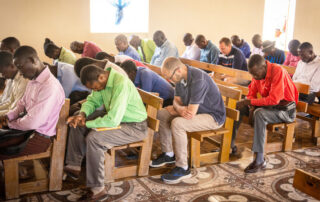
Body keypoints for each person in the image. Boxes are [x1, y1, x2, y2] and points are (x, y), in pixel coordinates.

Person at [64, 65, 148, 201]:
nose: (95, 90)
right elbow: (92, 100)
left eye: (95, 87)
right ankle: (74, 165)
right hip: (120, 119)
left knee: (94, 138)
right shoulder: (102, 81)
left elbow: (113, 120)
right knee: (76, 119)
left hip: (135, 127)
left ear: (101, 77)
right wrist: (82, 114)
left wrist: (87, 123)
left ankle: (98, 190)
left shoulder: (121, 83)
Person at [150, 57, 226, 184]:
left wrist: (177, 109)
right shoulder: (180, 78)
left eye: (170, 77)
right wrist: (179, 108)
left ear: (178, 70)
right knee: (162, 114)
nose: (169, 81)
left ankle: (183, 168)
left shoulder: (198, 78)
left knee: (178, 123)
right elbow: (176, 101)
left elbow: (190, 112)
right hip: (196, 112)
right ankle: (168, 154)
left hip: (212, 116)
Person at [232, 55, 298, 173]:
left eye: (256, 74)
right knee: (240, 108)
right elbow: (251, 93)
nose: (254, 77)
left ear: (264, 67)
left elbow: (274, 99)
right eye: (252, 74)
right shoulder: (257, 73)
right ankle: (230, 146)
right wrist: (250, 105)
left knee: (259, 114)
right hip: (270, 107)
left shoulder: (277, 71)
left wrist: (251, 102)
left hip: (285, 111)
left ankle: (259, 160)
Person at [0, 46, 65, 159]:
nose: (19, 73)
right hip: (26, 131)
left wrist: (10, 124)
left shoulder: (49, 86)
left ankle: (15, 172)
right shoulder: (33, 81)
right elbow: (21, 104)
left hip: (38, 138)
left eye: (20, 67)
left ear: (32, 61)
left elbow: (32, 123)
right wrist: (8, 116)